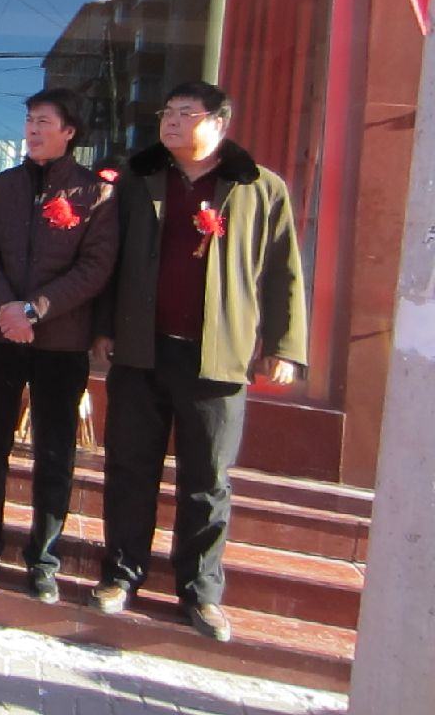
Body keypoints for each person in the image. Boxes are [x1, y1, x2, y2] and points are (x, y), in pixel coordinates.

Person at [89, 81, 307, 643]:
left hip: (217, 358)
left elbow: (283, 269)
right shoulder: (138, 180)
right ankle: (121, 575)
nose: (171, 121)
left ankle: (200, 592)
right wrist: (105, 327)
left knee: (207, 479)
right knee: (129, 468)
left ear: (219, 123)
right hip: (141, 350)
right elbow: (110, 259)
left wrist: (285, 344)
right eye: (167, 112)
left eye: (186, 112)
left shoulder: (259, 187)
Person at [0, 88, 118, 601]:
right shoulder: (6, 185)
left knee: (54, 453)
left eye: (44, 122)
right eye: (29, 120)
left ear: (69, 132)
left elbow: (95, 269)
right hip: (1, 336)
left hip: (60, 343)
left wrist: (34, 310)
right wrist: (7, 308)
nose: (32, 129)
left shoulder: (96, 193)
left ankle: (43, 560)